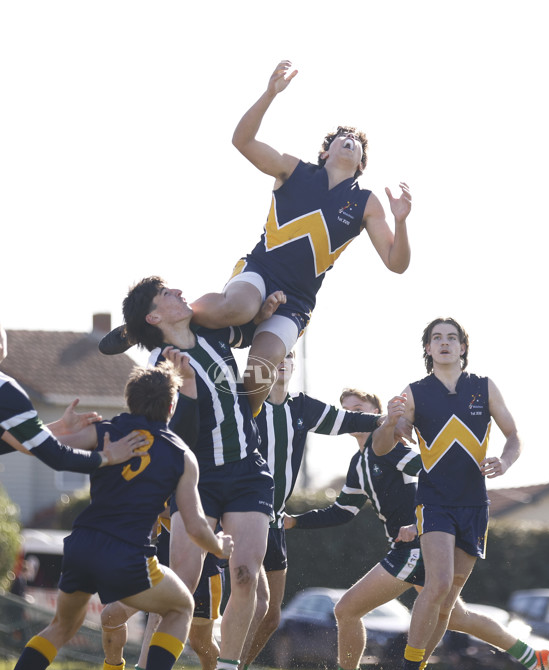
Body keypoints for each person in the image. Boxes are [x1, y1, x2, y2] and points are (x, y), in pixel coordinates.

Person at [99, 60, 412, 416]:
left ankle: (242, 422)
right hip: (260, 270)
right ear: (325, 152)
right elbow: (242, 141)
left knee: (263, 366)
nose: (350, 140)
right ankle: (141, 328)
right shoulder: (293, 170)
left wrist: (401, 223)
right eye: (343, 137)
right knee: (242, 308)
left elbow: (396, 263)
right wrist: (269, 94)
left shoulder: (367, 203)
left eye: (357, 142)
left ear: (360, 165)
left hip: (298, 300)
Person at [288, 387, 549, 670]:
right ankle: (534, 658)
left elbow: (436, 476)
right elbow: (342, 511)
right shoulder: (359, 463)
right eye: (348, 410)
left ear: (378, 412)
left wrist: (420, 522)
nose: (354, 415)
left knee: (347, 609)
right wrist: (294, 522)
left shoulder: (392, 449)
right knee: (458, 616)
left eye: (360, 408)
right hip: (411, 548)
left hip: (417, 547)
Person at [0, 362, 233, 670]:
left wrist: (59, 429)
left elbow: (40, 448)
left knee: (61, 626)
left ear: (128, 400)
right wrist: (220, 547)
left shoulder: (106, 430)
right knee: (182, 606)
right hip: (126, 555)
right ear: (171, 407)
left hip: (81, 544)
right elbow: (196, 525)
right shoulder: (182, 454)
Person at [371, 318, 549, 670]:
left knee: (447, 602)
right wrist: (389, 421)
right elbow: (385, 444)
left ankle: (532, 659)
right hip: (433, 502)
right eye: (436, 338)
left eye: (451, 338)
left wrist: (505, 462)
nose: (444, 343)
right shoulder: (414, 393)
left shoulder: (483, 387)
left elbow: (514, 435)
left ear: (463, 348)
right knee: (436, 586)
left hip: (474, 506)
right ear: (427, 350)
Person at [114, 276, 275, 670]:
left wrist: (268, 307)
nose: (179, 293)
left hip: (248, 471)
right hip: (195, 478)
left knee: (244, 575)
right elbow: (174, 434)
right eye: (168, 294)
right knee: (180, 583)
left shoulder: (212, 330)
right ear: (154, 317)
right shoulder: (158, 365)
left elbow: (250, 322)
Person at [228, 351, 383, 670]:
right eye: (274, 354)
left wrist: (401, 417)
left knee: (270, 616)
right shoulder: (245, 401)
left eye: (288, 355)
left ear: (294, 363)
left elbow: (349, 420)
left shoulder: (303, 408)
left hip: (276, 521)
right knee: (243, 605)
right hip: (241, 517)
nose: (281, 360)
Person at [0, 322, 147, 471]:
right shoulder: (5, 390)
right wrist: (107, 456)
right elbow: (57, 456)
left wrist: (60, 427)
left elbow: (21, 441)